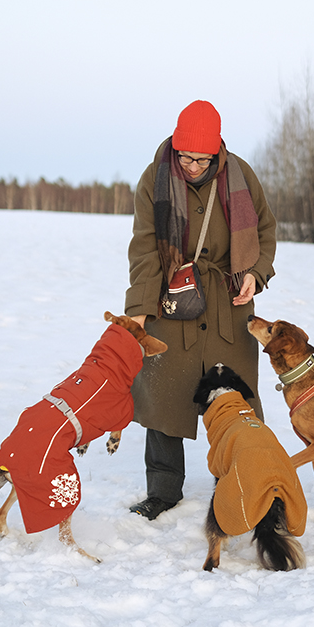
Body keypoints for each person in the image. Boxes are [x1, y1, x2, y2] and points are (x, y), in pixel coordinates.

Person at [124, 100, 277, 520]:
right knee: (163, 399)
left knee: (235, 402)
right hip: (172, 304)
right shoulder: (154, 179)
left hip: (230, 305)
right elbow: (144, 247)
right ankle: (163, 492)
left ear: (217, 153)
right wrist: (138, 309)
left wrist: (257, 273)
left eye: (201, 159)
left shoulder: (241, 175)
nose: (191, 166)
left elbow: (264, 229)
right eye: (185, 156)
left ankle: (235, 482)